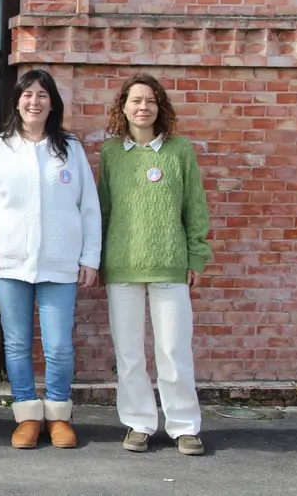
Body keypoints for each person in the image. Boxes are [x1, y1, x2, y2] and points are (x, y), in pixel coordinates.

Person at [0, 69, 101, 450]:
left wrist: (90, 257)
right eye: (27, 94)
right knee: (17, 344)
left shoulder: (69, 148)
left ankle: (58, 415)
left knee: (58, 345)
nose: (34, 101)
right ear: (17, 102)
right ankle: (26, 414)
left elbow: (88, 207)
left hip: (59, 263)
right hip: (9, 262)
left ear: (52, 103)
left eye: (42, 95)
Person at [98, 74, 212, 456]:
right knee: (129, 353)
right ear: (123, 108)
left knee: (174, 350)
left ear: (159, 107)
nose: (142, 107)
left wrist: (196, 255)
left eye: (149, 101)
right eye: (135, 101)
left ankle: (183, 426)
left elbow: (194, 208)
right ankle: (138, 423)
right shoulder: (112, 153)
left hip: (169, 265)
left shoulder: (180, 151)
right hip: (122, 266)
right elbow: (103, 210)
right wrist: (97, 260)